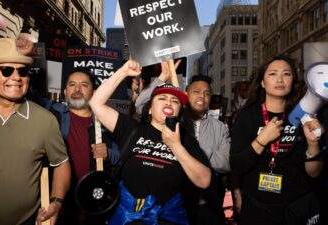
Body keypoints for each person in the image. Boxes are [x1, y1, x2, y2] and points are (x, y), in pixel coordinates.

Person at [0, 38, 71, 225]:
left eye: (22, 71)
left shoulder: (45, 120)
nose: (16, 77)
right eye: (6, 70)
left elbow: (62, 164)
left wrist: (56, 202)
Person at [89, 59, 212, 225]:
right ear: (149, 108)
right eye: (162, 98)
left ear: (178, 111)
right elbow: (95, 103)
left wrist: (175, 146)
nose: (169, 102)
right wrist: (123, 72)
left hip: (168, 219)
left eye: (175, 101)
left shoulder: (185, 140)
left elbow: (204, 180)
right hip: (127, 219)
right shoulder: (132, 129)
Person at [230, 55, 323, 225]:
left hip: (298, 207)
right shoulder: (246, 117)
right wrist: (261, 140)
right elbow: (236, 166)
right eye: (273, 74)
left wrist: (313, 143)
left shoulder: (306, 115)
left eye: (286, 74)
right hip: (259, 208)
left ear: (293, 80)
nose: (280, 79)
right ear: (263, 83)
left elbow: (314, 173)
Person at [135, 62, 230, 225]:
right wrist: (162, 78)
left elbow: (226, 163)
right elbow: (140, 105)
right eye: (197, 92)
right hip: (175, 203)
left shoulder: (220, 128)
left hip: (207, 204)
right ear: (186, 93)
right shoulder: (172, 120)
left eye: (207, 93)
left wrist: (192, 150)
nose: (202, 96)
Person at [48, 68, 120, 225]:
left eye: (84, 85)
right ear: (65, 91)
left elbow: (121, 156)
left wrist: (108, 154)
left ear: (94, 92)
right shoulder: (52, 113)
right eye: (72, 84)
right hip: (58, 207)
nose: (77, 89)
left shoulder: (106, 122)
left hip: (94, 207)